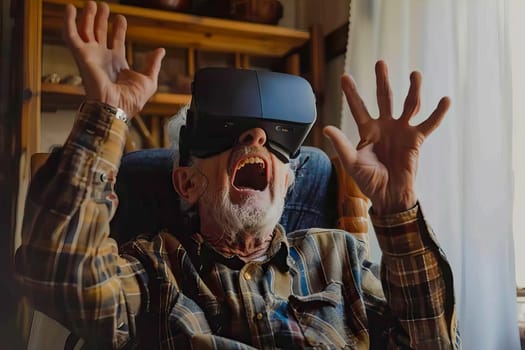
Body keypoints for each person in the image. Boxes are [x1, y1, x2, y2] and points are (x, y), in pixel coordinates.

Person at [15, 1, 460, 349]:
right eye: (229, 135)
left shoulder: (339, 257)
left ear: (289, 182)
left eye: (271, 138)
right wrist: (108, 114)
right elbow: (60, 277)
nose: (254, 139)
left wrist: (398, 210)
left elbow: (431, 342)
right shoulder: (155, 271)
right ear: (186, 183)